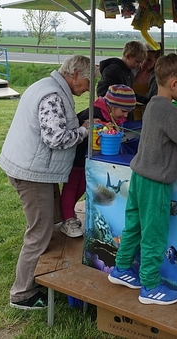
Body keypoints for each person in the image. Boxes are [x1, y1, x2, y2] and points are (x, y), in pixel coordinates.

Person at [108, 54, 177, 305]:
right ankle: (150, 286)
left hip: (139, 177)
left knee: (134, 227)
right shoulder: (168, 110)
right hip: (155, 183)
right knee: (154, 234)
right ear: (174, 83)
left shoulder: (153, 105)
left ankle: (121, 268)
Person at [0, 55, 92, 310]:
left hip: (34, 168)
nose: (88, 88)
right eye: (88, 81)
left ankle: (43, 276)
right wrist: (84, 131)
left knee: (51, 223)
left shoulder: (47, 86)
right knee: (39, 232)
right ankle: (22, 293)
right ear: (75, 74)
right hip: (32, 173)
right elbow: (56, 138)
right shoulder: (52, 95)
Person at [61, 85, 136, 238]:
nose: (126, 115)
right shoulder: (93, 112)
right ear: (111, 106)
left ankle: (68, 213)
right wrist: (97, 127)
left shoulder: (118, 115)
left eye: (128, 112)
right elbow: (76, 132)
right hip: (77, 156)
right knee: (72, 186)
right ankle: (67, 219)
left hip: (92, 160)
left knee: (83, 186)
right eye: (123, 111)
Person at [132, 47, 160, 120]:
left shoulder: (157, 78)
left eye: (149, 60)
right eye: (143, 58)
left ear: (156, 61)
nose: (144, 62)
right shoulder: (132, 70)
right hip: (126, 115)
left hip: (145, 116)